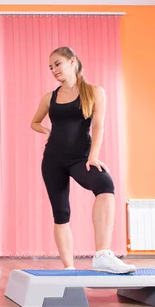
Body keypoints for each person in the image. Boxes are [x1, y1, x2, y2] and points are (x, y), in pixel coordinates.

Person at [30, 46, 135, 274]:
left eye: (57, 64)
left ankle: (102, 254)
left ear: (73, 61)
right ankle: (69, 269)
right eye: (50, 67)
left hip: (80, 158)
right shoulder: (51, 97)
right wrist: (46, 131)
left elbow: (98, 126)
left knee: (105, 185)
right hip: (53, 160)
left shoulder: (94, 92)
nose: (53, 70)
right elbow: (34, 122)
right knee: (61, 213)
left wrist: (93, 156)